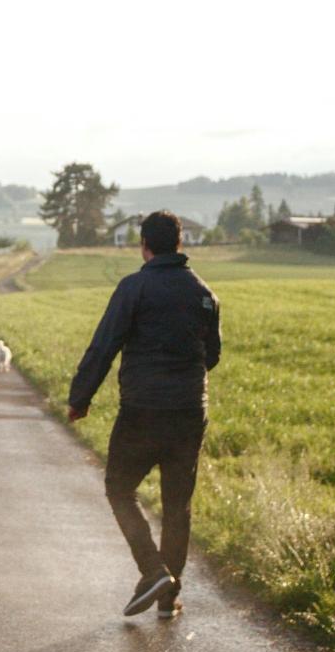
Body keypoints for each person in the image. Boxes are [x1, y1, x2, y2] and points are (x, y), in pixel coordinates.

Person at [67, 211, 221, 619]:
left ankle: (153, 571)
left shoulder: (134, 288)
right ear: (180, 244)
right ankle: (168, 598)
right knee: (177, 505)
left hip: (143, 411)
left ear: (144, 246)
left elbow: (105, 345)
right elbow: (212, 356)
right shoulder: (205, 294)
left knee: (120, 489)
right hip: (190, 412)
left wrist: (80, 398)